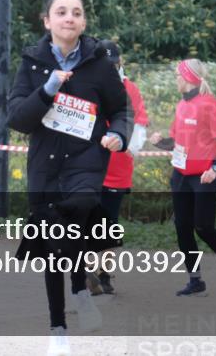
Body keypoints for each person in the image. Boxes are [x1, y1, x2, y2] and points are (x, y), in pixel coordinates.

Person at [7, 0, 130, 354]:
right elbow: (18, 120)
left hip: (86, 161)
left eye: (77, 12)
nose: (69, 18)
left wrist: (117, 135)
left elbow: (121, 109)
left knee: (79, 208)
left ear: (83, 22)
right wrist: (48, 89)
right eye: (61, 12)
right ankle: (58, 326)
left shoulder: (100, 64)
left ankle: (79, 290)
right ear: (47, 21)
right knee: (52, 245)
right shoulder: (31, 63)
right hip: (45, 166)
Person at [150, 59, 216, 297]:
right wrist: (159, 142)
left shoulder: (208, 105)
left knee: (202, 226)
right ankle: (195, 281)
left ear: (188, 78)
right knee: (182, 226)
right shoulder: (181, 106)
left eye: (177, 75)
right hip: (181, 175)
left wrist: (215, 168)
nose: (175, 79)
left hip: (204, 177)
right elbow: (177, 142)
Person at [86, 39, 149, 295]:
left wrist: (123, 144)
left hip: (117, 169)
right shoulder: (87, 86)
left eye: (113, 64)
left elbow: (140, 124)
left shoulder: (130, 89)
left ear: (119, 63)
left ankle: (104, 274)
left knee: (109, 224)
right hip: (88, 166)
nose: (110, 69)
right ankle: (88, 270)